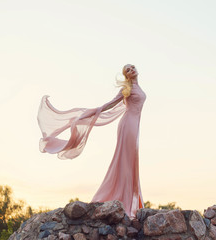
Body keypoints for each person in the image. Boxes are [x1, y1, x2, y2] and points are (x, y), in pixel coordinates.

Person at [37, 64, 146, 219]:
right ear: (126, 76)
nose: (131, 70)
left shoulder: (138, 88)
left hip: (135, 125)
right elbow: (110, 104)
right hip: (128, 125)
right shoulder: (126, 90)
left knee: (132, 161)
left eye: (132, 67)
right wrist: (92, 113)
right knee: (126, 161)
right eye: (127, 70)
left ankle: (135, 202)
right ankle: (126, 202)